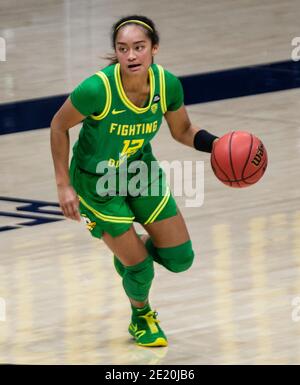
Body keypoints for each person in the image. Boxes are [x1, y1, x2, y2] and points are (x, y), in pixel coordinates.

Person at [50, 15, 218, 347]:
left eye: (139, 47)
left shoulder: (166, 85)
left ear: (154, 48)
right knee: (141, 269)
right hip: (95, 184)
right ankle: (141, 317)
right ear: (116, 52)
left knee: (181, 259)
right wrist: (63, 184)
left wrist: (217, 145)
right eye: (123, 48)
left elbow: (183, 130)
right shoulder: (97, 89)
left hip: (139, 173)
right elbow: (58, 125)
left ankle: (129, 248)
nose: (131, 56)